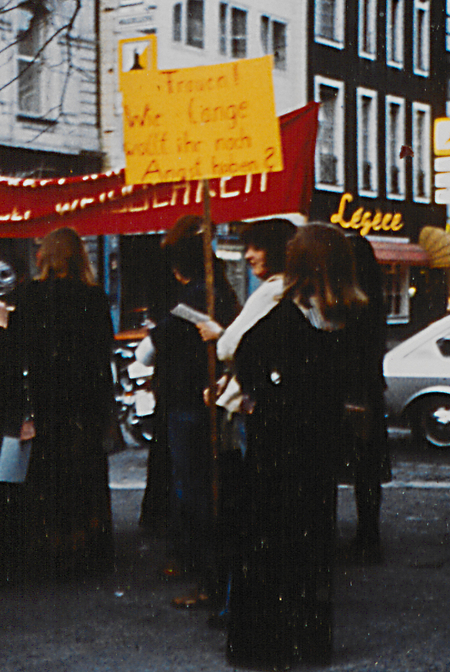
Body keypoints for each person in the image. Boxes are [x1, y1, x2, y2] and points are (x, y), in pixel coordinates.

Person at [226, 223, 367, 669]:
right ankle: (308, 641)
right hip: (318, 447)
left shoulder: (284, 314)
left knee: (267, 543)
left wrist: (255, 396)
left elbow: (243, 352)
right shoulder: (349, 318)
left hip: (276, 445)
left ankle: (260, 644)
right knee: (311, 545)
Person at [194, 217, 297, 628]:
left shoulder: (273, 290)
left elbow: (230, 344)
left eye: (256, 246)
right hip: (263, 403)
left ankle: (233, 605)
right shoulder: (296, 290)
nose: (249, 254)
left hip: (252, 411)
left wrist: (217, 335)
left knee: (245, 510)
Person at [6, 227, 116, 578]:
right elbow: (103, 353)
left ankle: (48, 548)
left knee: (46, 475)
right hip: (83, 400)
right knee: (83, 475)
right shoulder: (93, 296)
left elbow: (16, 351)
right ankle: (87, 549)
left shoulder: (27, 295)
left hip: (43, 397)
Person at [148, 215, 239, 609]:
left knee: (193, 488)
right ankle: (204, 569)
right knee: (203, 485)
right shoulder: (223, 293)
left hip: (186, 400)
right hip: (207, 395)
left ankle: (205, 573)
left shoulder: (190, 301)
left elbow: (152, 345)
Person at [339, 232, 391, 565]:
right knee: (367, 468)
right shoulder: (374, 298)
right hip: (370, 388)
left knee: (352, 460)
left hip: (352, 390)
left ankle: (366, 538)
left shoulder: (350, 300)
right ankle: (368, 532)